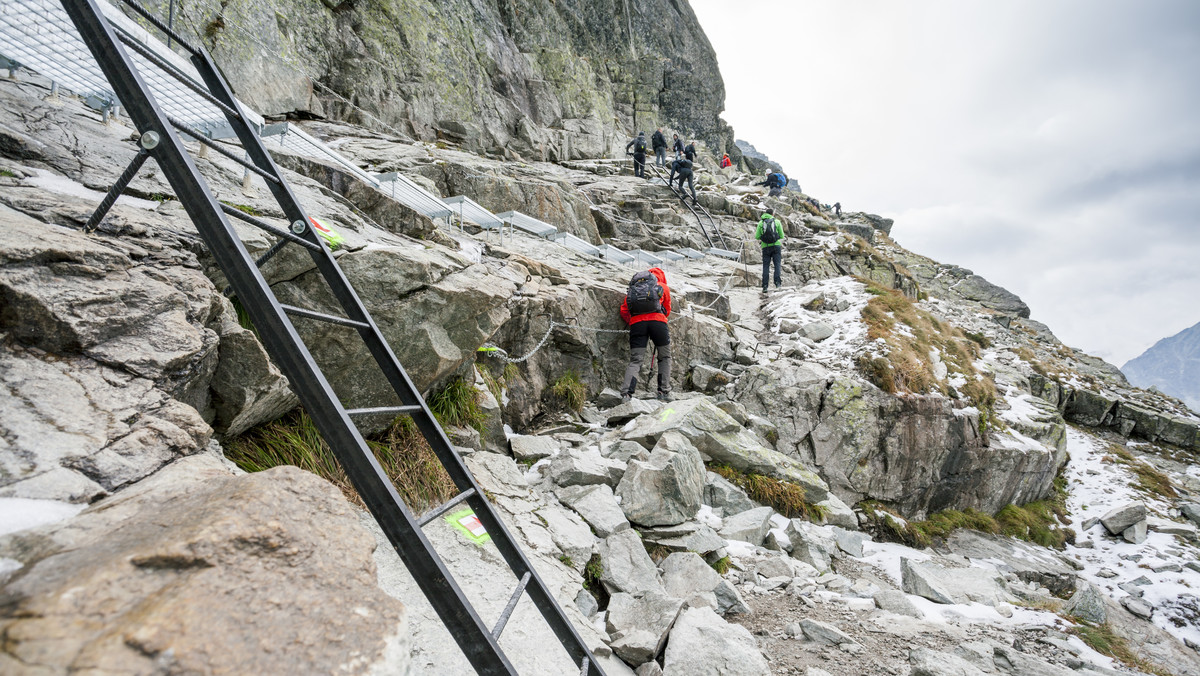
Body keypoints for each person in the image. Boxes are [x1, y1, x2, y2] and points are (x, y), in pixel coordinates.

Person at [619, 267, 672, 401]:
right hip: (658, 323)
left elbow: (624, 310)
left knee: (636, 360)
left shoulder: (634, 288)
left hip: (637, 324)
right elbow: (667, 309)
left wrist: (634, 321)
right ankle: (663, 392)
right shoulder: (663, 287)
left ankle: (626, 394)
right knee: (664, 356)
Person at [756, 207, 784, 293]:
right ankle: (778, 284)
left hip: (765, 247)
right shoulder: (777, 221)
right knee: (777, 265)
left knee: (765, 266)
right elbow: (782, 235)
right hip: (776, 246)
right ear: (772, 214)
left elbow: (757, 236)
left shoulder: (761, 222)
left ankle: (765, 286)